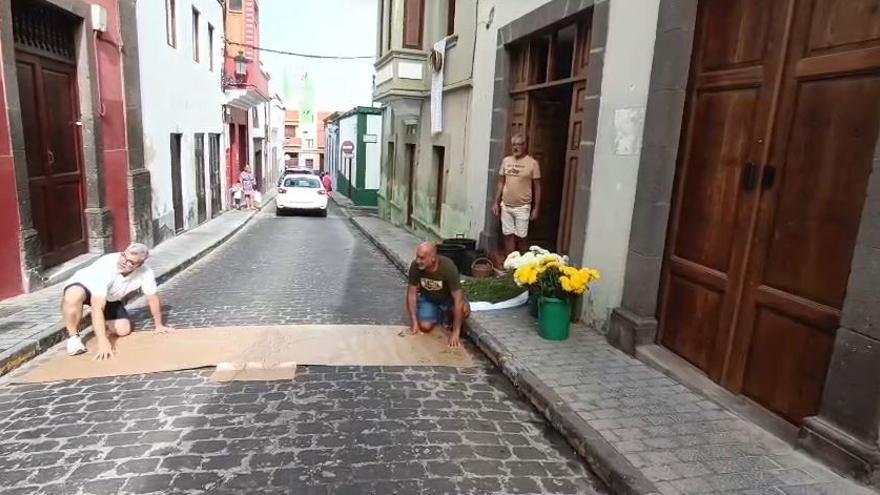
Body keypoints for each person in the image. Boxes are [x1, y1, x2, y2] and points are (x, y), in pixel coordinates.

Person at [61, 243, 172, 360]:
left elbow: (152, 297)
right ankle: (73, 337)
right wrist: (103, 341)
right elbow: (97, 307)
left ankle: (97, 320)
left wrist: (159, 325)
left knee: (123, 330)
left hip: (110, 297)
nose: (124, 261)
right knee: (73, 297)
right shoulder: (105, 266)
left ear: (140, 264)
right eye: (123, 255)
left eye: (131, 262)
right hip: (84, 287)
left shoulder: (146, 272)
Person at [406, 242, 471, 348]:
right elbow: (411, 294)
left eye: (422, 258)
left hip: (448, 298)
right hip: (428, 299)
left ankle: (449, 317)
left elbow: (457, 299)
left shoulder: (448, 267)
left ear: (432, 258)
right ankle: (440, 314)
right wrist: (414, 321)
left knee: (463, 309)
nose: (418, 261)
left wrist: (456, 332)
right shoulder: (415, 266)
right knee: (425, 327)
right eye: (417, 257)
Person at [491, 134, 542, 257]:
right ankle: (511, 264)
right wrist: (496, 202)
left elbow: (538, 187)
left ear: (524, 146)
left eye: (518, 144)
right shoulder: (506, 161)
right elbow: (501, 182)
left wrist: (536, 208)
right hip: (506, 206)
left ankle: (523, 264)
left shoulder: (532, 163)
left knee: (522, 237)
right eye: (513, 144)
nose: (515, 147)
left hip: (522, 207)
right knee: (508, 235)